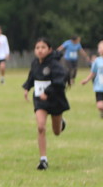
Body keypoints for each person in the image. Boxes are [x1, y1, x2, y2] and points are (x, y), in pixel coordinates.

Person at [22, 38, 69, 171]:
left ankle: (61, 122)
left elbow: (60, 82)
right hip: (40, 100)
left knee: (56, 132)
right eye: (37, 48)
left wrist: (48, 92)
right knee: (41, 127)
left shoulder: (55, 65)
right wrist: (27, 88)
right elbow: (32, 77)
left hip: (55, 100)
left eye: (43, 47)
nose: (40, 50)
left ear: (49, 49)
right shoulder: (35, 63)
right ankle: (43, 160)